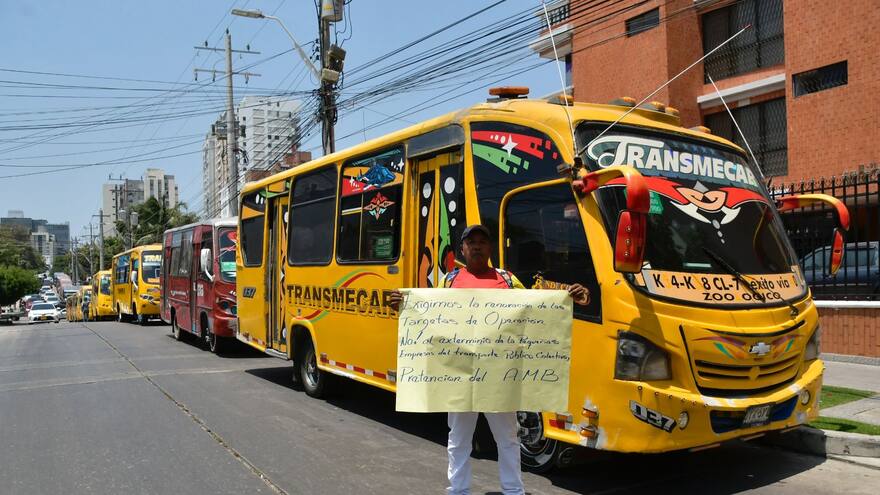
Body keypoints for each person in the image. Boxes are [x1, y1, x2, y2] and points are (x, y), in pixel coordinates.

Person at [389, 224, 588, 495]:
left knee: (507, 438)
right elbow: (431, 314)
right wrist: (404, 304)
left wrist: (570, 296)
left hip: (499, 376)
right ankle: (458, 490)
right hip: (460, 375)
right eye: (472, 242)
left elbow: (538, 300)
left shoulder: (507, 279)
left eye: (483, 241)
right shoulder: (449, 280)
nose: (477, 246)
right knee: (458, 439)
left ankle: (513, 491)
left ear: (490, 248)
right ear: (462, 249)